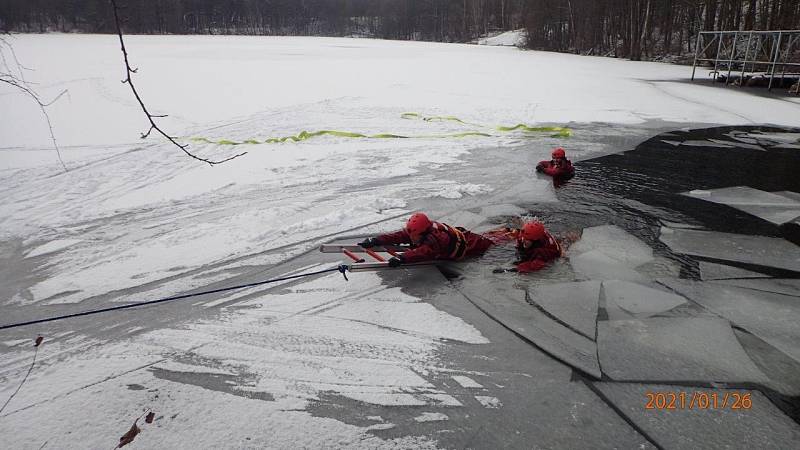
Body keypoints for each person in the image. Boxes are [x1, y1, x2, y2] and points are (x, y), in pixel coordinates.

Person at [358, 213, 494, 267]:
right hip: (467, 237)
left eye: (414, 235)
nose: (411, 237)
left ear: (423, 232)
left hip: (479, 246)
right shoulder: (421, 230)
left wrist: (402, 258)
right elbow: (400, 235)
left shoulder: (436, 240)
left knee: (500, 241)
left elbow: (423, 252)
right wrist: (376, 240)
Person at [486, 220, 563, 273]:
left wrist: (508, 270)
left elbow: (533, 266)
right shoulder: (527, 236)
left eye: (527, 240)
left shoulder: (542, 252)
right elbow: (521, 238)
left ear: (535, 241)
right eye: (523, 238)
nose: (523, 241)